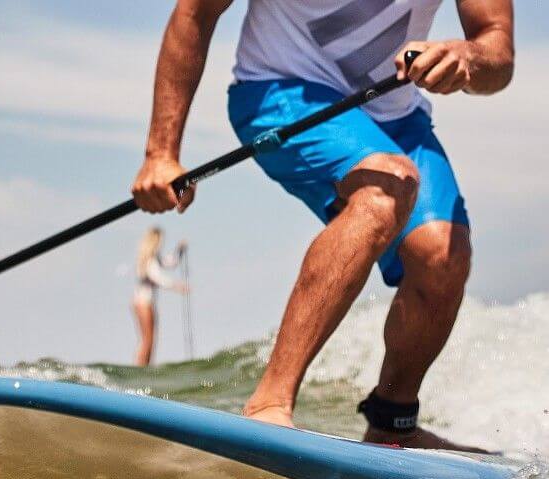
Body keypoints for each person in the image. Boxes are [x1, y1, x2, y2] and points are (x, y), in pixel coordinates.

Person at [132, 0, 514, 449]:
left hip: (394, 112)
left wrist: (469, 58)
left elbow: (497, 50)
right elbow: (195, 12)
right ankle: (269, 405)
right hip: (280, 88)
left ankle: (393, 425)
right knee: (385, 189)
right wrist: (161, 152)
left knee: (442, 256)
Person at [132, 227, 189, 366]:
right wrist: (177, 286)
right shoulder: (148, 261)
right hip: (143, 303)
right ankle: (140, 368)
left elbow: (171, 262)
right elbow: (158, 278)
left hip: (146, 302)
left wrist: (179, 250)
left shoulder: (155, 259)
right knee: (147, 339)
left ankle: (145, 366)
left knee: (150, 339)